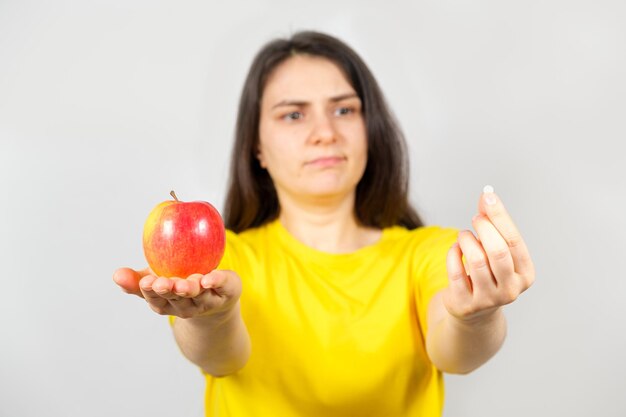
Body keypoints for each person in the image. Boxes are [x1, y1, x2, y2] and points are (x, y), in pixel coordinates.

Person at [113, 31, 535, 417]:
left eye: (344, 109)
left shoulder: (430, 253)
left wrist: (476, 317)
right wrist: (211, 319)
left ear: (370, 130)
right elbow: (221, 358)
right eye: (293, 115)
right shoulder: (221, 261)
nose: (325, 132)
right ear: (257, 146)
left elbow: (455, 355)